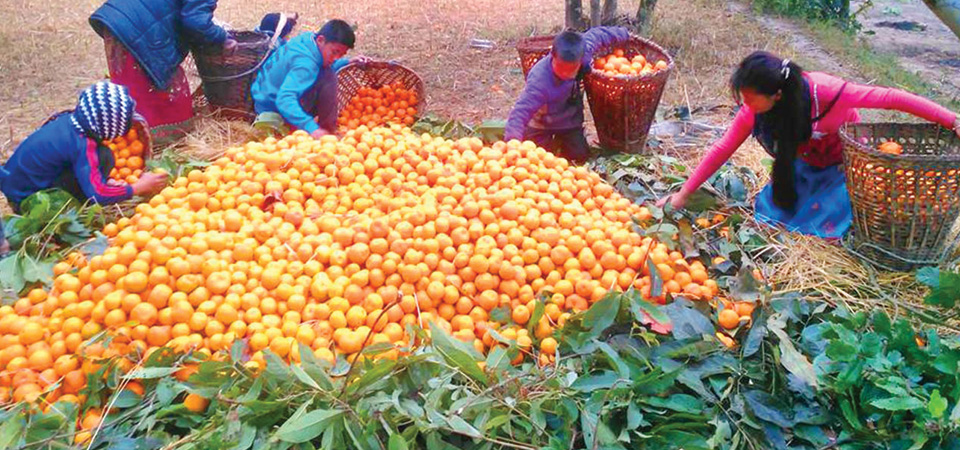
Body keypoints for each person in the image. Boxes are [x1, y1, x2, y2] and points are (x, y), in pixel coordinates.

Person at [658, 51, 960, 239]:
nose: (744, 104)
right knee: (773, 216)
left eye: (749, 98)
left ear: (776, 93)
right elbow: (723, 149)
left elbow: (891, 98)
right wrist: (684, 194)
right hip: (806, 165)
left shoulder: (827, 94)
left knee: (823, 224)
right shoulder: (756, 111)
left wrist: (952, 120)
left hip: (844, 167)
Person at [0, 82, 168, 213]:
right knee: (104, 157)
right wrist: (138, 187)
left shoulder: (68, 121)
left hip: (15, 184)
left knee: (102, 156)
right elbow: (99, 195)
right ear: (108, 128)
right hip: (28, 199)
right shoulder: (82, 143)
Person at [89, 0, 237, 140]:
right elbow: (196, 22)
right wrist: (221, 38)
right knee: (149, 95)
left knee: (135, 89)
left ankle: (137, 136)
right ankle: (149, 140)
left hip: (122, 19)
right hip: (137, 28)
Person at [504, 27, 631, 164]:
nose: (566, 74)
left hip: (569, 121)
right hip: (542, 125)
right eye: (561, 68)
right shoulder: (540, 81)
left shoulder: (584, 52)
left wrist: (625, 34)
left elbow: (598, 35)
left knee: (579, 157)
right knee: (539, 162)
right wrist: (512, 143)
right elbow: (520, 112)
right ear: (552, 56)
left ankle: (565, 140)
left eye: (571, 69)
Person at [251, 19, 368, 138]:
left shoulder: (308, 40)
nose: (336, 58)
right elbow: (284, 99)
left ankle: (324, 129)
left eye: (341, 55)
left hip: (264, 97)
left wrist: (346, 62)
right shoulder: (305, 65)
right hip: (272, 110)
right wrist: (311, 128)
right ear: (321, 40)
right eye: (334, 52)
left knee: (326, 71)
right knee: (329, 77)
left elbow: (320, 62)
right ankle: (327, 131)